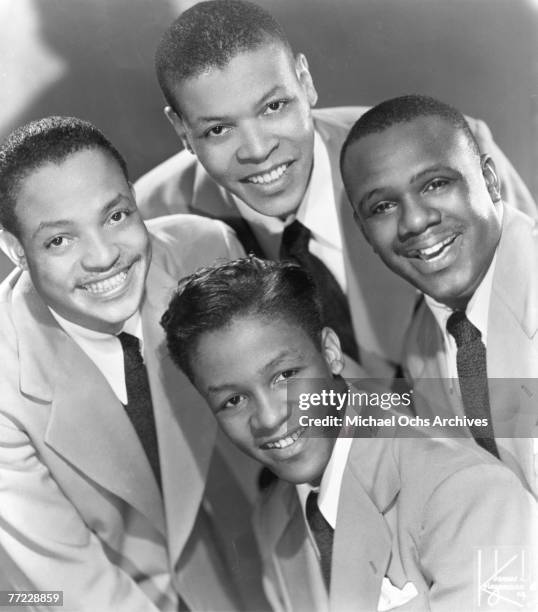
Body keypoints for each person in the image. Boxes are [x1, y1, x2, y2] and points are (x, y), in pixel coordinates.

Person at [135, 0, 537, 380]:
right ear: (182, 131)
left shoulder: (447, 151)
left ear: (305, 82)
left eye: (273, 107)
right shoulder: (153, 223)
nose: (259, 151)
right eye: (218, 129)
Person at [161, 256, 537, 612]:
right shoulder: (274, 523)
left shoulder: (467, 492)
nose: (270, 417)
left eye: (284, 376)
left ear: (330, 352)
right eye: (233, 400)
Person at [0, 116, 267, 611]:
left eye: (116, 216)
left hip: (251, 572)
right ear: (15, 250)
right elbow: (74, 587)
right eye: (60, 240)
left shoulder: (207, 254)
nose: (104, 257)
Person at [340, 94, 538, 498]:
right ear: (364, 231)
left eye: (435, 184)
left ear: (489, 180)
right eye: (383, 206)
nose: (414, 220)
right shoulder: (420, 349)